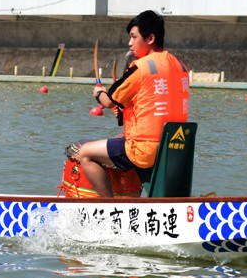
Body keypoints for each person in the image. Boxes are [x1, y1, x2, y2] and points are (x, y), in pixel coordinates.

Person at [75, 10, 189, 197]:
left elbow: (110, 101)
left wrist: (99, 94)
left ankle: (110, 208)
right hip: (175, 148)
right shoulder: (180, 65)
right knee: (119, 138)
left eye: (134, 37)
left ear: (150, 38)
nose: (130, 43)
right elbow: (156, 102)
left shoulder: (142, 68)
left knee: (85, 152)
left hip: (145, 150)